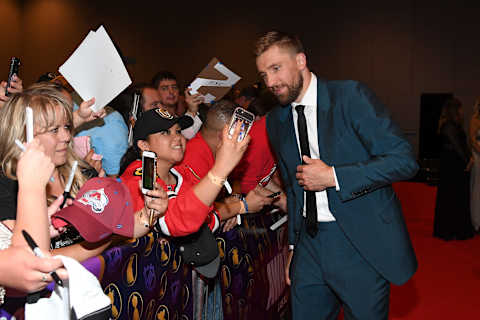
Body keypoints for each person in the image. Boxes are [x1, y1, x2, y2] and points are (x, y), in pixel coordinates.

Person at [255, 31, 418, 319]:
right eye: (263, 73)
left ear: (301, 60)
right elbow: (293, 189)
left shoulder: (350, 96)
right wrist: (294, 245)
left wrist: (334, 176)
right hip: (309, 246)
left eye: (276, 68)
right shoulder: (276, 121)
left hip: (359, 242)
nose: (270, 82)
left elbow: (404, 160)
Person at [0, 83, 165, 262]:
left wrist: (150, 213)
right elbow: (33, 261)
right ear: (25, 135)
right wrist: (104, 240)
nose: (66, 137)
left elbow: (122, 226)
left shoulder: (81, 172)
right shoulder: (8, 185)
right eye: (54, 130)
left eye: (67, 127)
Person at [121, 107, 250, 237]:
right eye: (165, 132)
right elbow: (175, 223)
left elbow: (205, 217)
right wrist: (221, 169)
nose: (177, 137)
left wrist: (234, 208)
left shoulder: (181, 173)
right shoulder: (138, 176)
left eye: (178, 131)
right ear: (144, 145)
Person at [434, 98, 475, 240]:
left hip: (455, 165)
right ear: (455, 110)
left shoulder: (453, 125)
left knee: (456, 197)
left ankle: (455, 229)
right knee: (453, 197)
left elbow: (463, 145)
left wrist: (469, 158)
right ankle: (452, 230)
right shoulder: (448, 126)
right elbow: (457, 146)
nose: (462, 111)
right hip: (452, 166)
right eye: (460, 108)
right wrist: (468, 160)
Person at [469, 99, 480, 232]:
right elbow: (472, 140)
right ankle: (477, 221)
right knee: (477, 188)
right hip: (478, 155)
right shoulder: (474, 120)